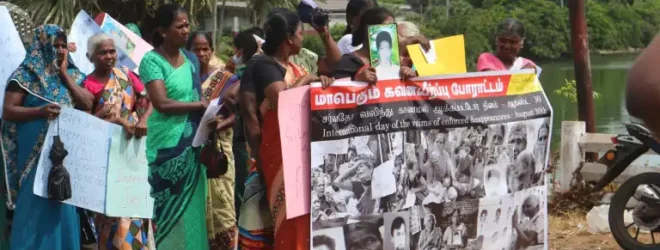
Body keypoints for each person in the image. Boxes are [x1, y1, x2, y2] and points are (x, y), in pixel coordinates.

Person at [239, 8, 332, 250]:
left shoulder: (297, 62)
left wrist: (324, 33)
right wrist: (307, 80)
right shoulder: (264, 64)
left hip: (298, 152)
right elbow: (284, 101)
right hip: (276, 154)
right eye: (301, 33)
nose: (303, 38)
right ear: (289, 38)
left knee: (300, 219)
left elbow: (335, 64)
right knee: (286, 218)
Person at [2, 24, 93, 250]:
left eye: (64, 45)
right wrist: (39, 112)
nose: (61, 50)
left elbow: (88, 103)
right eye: (56, 45)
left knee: (63, 200)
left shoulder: (72, 75)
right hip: (33, 155)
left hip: (65, 155)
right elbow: (8, 110)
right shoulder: (24, 76)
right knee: (35, 203)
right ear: (41, 45)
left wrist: (63, 73)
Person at [138, 3, 209, 249]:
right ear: (163, 31)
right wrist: (200, 107)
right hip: (166, 150)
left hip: (191, 149)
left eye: (187, 25)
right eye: (179, 26)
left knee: (192, 214)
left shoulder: (191, 60)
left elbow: (195, 95)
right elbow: (161, 103)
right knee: (167, 215)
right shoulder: (151, 60)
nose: (186, 30)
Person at [82, 33, 154, 250]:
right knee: (110, 212)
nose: (109, 56)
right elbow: (84, 125)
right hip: (106, 157)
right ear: (91, 56)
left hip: (133, 151)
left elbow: (149, 101)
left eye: (112, 51)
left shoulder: (127, 75)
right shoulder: (87, 85)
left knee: (134, 207)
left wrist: (142, 119)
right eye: (102, 52)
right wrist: (113, 120)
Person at [187, 31, 239, 249]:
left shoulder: (227, 79)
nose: (201, 54)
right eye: (196, 49)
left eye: (205, 48)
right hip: (189, 149)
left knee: (222, 206)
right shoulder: (184, 77)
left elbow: (239, 113)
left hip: (218, 150)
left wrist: (219, 124)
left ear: (212, 50)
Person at [333, 7, 416, 83]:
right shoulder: (349, 61)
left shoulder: (396, 62)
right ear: (368, 31)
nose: (390, 33)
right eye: (385, 28)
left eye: (392, 28)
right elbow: (339, 91)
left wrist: (409, 75)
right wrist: (358, 80)